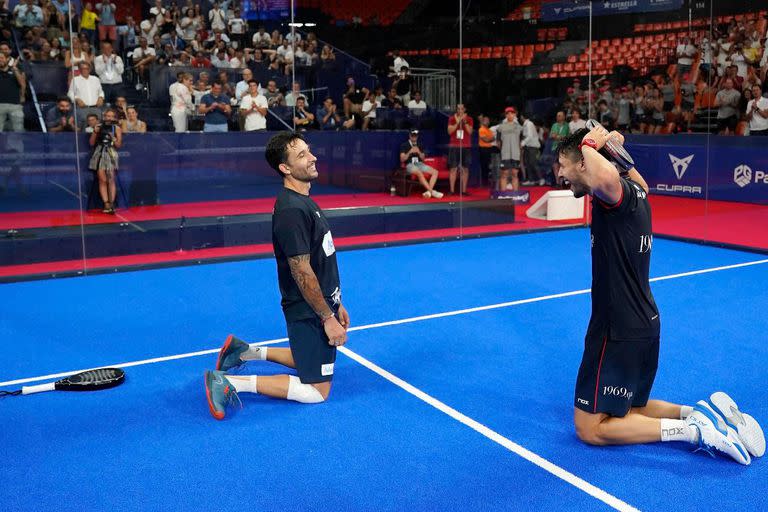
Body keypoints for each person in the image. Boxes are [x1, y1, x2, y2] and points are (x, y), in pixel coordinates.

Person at [556, 124, 764, 465]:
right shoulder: (637, 191)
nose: (560, 173)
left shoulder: (612, 196)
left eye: (564, 164)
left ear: (584, 163)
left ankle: (696, 431)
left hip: (617, 328)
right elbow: (632, 178)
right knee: (631, 410)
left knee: (590, 427)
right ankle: (699, 412)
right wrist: (614, 148)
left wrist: (593, 142)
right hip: (645, 322)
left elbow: (604, 177)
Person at [204, 131, 350, 419]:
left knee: (307, 357)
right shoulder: (292, 210)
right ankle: (230, 382)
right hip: (307, 309)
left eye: (309, 151)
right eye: (302, 155)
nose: (312, 158)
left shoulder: (303, 199)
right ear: (284, 168)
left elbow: (321, 260)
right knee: (316, 392)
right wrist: (327, 317)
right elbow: (301, 269)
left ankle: (243, 352)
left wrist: (336, 303)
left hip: (319, 304)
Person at [89, 108, 122, 214]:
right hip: (99, 153)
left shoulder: (116, 128)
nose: (109, 118)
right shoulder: (98, 127)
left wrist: (114, 139)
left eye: (112, 116)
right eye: (108, 116)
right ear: (104, 116)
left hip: (111, 153)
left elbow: (118, 145)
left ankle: (112, 203)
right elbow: (91, 143)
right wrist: (95, 131)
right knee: (102, 179)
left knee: (111, 178)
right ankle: (106, 203)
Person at [400, 129, 443, 199]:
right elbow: (402, 159)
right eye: (412, 136)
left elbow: (423, 159)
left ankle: (428, 192)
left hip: (419, 164)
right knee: (419, 172)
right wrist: (409, 152)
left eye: (415, 136)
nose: (414, 137)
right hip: (409, 165)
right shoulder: (404, 145)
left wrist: (419, 152)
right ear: (409, 136)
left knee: (435, 172)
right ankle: (432, 192)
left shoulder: (420, 144)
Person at [447, 103, 473, 195]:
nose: (460, 111)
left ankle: (464, 191)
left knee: (465, 169)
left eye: (461, 109)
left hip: (466, 146)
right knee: (453, 168)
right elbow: (449, 131)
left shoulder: (469, 119)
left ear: (464, 109)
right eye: (458, 109)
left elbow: (470, 132)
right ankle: (452, 190)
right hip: (454, 146)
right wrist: (457, 122)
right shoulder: (451, 119)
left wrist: (464, 121)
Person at [67, 61, 104, 128]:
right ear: (79, 70)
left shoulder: (95, 79)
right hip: (82, 109)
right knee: (82, 127)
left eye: (86, 68)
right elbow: (70, 93)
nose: (84, 70)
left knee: (98, 127)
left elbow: (100, 91)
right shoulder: (75, 80)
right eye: (82, 68)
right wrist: (77, 99)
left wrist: (101, 97)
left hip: (95, 108)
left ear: (89, 69)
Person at [496, 107, 522, 191]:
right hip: (505, 154)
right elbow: (498, 142)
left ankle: (516, 194)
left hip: (516, 155)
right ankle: (503, 195)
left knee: (515, 174)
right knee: (504, 174)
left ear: (515, 114)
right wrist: (503, 151)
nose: (510, 115)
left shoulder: (519, 127)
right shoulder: (500, 127)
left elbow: (521, 142)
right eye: (508, 113)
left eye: (512, 113)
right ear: (505, 115)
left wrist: (519, 152)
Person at [0, 52, 25, 132]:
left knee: (18, 130)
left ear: (7, 59)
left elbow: (22, 84)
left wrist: (14, 68)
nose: (0, 60)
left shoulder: (15, 71)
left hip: (15, 105)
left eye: (1, 58)